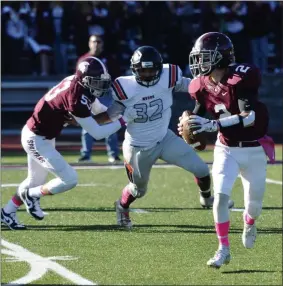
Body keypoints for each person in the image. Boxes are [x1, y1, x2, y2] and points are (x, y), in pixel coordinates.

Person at [94, 45, 234, 229]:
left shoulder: (169, 75)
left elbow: (195, 87)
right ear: (134, 69)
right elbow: (111, 114)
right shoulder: (124, 86)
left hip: (165, 138)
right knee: (138, 190)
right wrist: (87, 120)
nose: (148, 74)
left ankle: (206, 199)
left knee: (201, 169)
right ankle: (121, 206)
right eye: (143, 71)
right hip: (138, 147)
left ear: (160, 68)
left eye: (152, 70)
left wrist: (215, 87)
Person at [1, 57, 134, 230]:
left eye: (102, 81)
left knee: (35, 179)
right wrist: (124, 120)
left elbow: (100, 111)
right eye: (96, 81)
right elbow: (97, 133)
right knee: (69, 179)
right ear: (85, 80)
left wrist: (118, 111)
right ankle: (30, 195)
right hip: (36, 138)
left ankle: (7, 212)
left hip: (43, 136)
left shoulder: (79, 85)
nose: (100, 85)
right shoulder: (76, 97)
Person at [178, 32, 275, 268]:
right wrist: (187, 125)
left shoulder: (240, 78)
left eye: (205, 57)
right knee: (220, 197)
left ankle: (249, 222)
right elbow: (197, 113)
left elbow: (249, 117)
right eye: (199, 57)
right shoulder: (201, 84)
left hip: (253, 150)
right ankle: (223, 248)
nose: (199, 63)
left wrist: (213, 124)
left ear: (220, 57)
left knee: (255, 205)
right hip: (226, 148)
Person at [77, 34, 121, 164]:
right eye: (93, 41)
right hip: (89, 94)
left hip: (106, 94)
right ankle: (86, 154)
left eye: (98, 41)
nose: (96, 44)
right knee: (87, 124)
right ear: (89, 43)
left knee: (109, 122)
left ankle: (113, 154)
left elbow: (116, 77)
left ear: (102, 44)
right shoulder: (83, 59)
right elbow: (78, 79)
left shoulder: (109, 59)